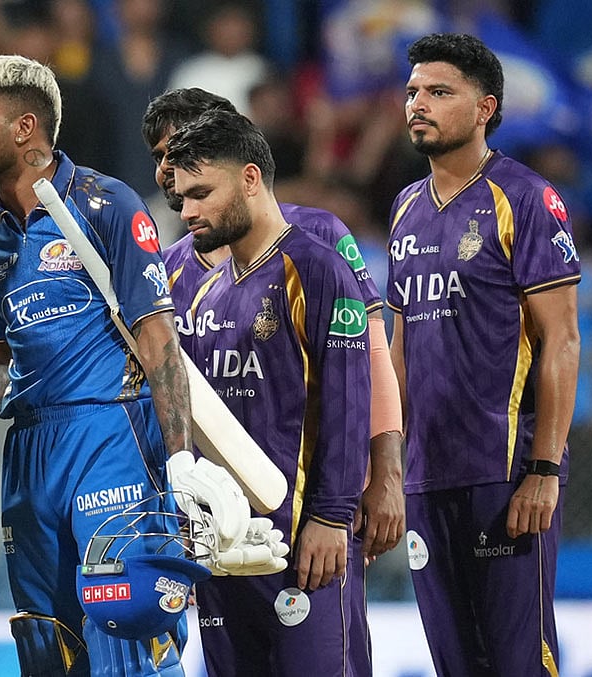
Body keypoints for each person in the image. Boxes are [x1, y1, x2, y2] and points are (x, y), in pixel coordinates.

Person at [0, 53, 213, 676]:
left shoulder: (105, 204)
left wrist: (181, 465)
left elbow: (159, 342)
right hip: (29, 452)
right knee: (48, 649)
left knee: (128, 633)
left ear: (24, 128)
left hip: (111, 436)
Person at [142, 87, 403, 674]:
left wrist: (350, 501)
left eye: (193, 172)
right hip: (219, 535)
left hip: (304, 525)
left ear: (245, 169)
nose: (172, 179)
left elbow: (359, 378)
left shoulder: (317, 250)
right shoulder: (175, 272)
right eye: (164, 161)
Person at [387, 33, 581, 675]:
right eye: (413, 92)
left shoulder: (525, 197)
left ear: (484, 108)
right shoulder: (404, 209)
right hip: (424, 478)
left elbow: (562, 339)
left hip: (505, 474)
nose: (418, 104)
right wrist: (383, 466)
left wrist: (544, 469)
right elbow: (401, 348)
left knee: (520, 661)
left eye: (439, 92)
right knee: (456, 665)